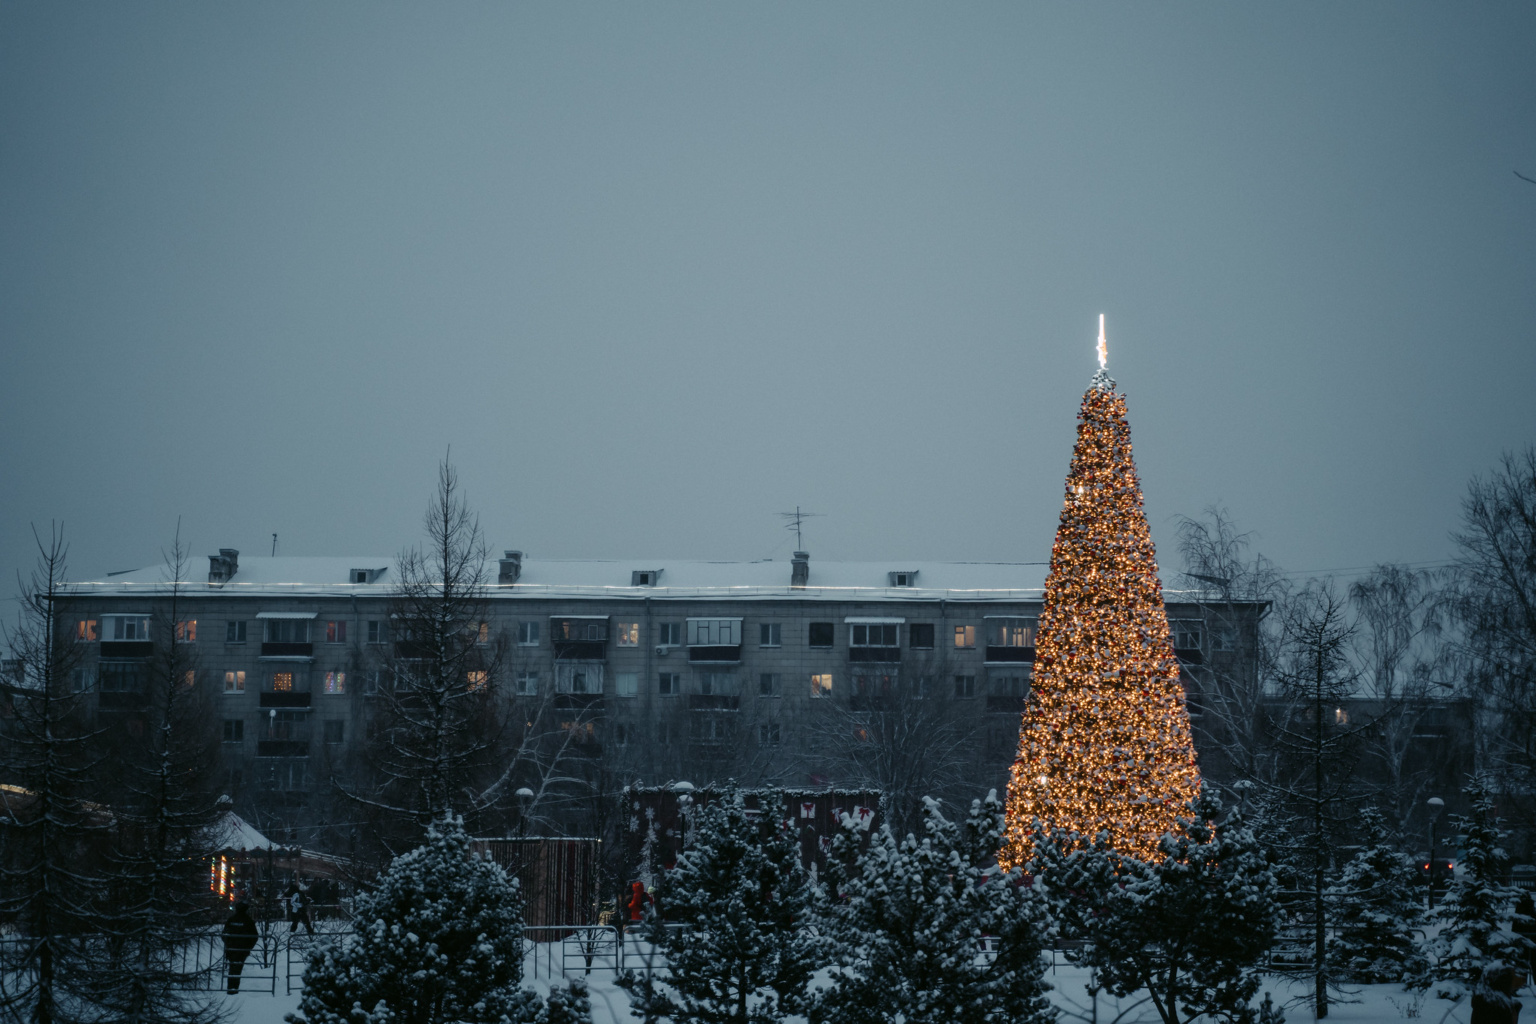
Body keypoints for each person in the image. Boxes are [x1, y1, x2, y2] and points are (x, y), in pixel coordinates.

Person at [221, 901, 259, 994]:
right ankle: (233, 989)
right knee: (237, 968)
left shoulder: (231, 919)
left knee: (232, 967)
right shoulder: (248, 921)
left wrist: (228, 944)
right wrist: (248, 948)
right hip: (241, 950)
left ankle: (231, 989)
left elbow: (224, 934)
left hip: (232, 949)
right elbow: (254, 936)